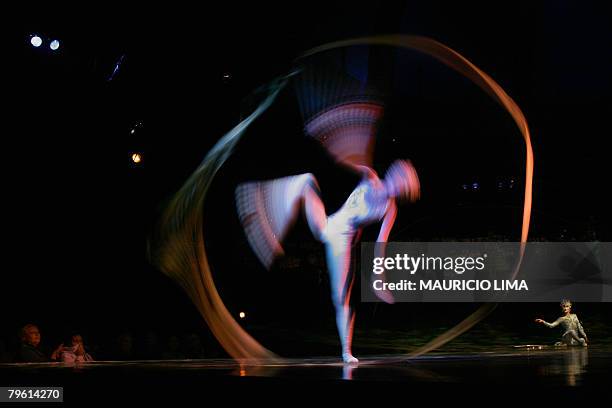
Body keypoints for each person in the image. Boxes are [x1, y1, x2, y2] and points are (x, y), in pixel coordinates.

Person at [236, 159, 420, 363]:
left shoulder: (390, 209)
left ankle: (346, 352)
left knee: (341, 297)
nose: (397, 186)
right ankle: (261, 209)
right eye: (399, 179)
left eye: (403, 186)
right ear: (393, 175)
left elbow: (380, 246)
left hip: (342, 242)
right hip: (327, 226)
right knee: (307, 180)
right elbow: (347, 160)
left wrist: (379, 280)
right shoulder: (371, 177)